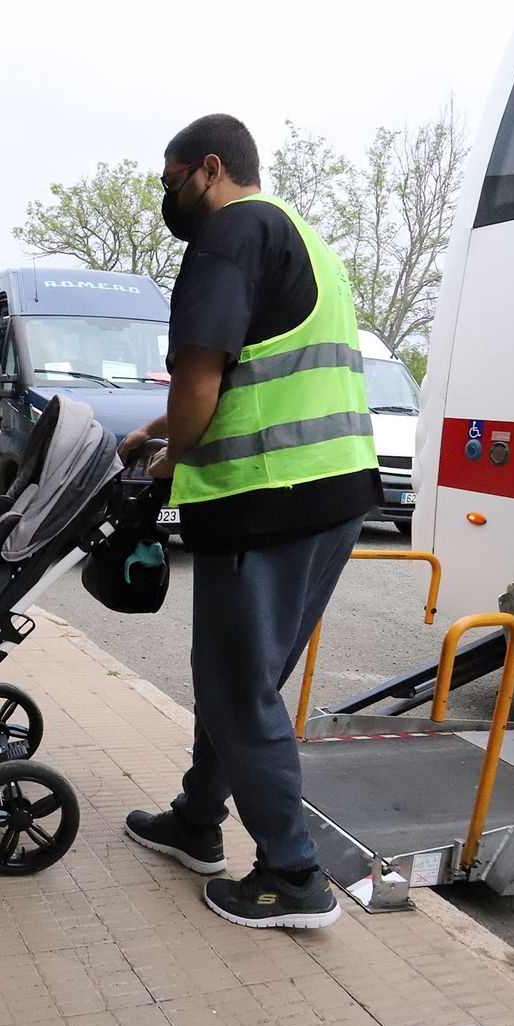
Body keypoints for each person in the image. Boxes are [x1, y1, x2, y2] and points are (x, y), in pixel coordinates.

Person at [120, 114, 380, 930]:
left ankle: (292, 873)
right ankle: (199, 818)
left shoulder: (228, 235)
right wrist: (158, 431)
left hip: (264, 499)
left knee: (237, 687)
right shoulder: (303, 237)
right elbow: (260, 369)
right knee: (245, 680)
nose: (168, 200)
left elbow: (202, 381)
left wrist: (166, 462)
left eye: (170, 183)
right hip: (331, 496)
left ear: (208, 168)